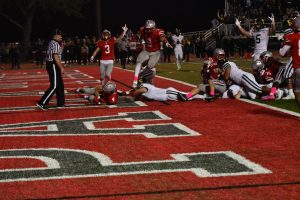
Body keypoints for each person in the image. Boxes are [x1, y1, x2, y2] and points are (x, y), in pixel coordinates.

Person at [132, 20, 172, 87]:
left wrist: (166, 42)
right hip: (147, 50)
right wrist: (141, 40)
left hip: (155, 52)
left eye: (149, 29)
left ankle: (143, 78)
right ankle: (135, 81)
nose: (148, 31)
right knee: (138, 61)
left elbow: (162, 38)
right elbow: (142, 36)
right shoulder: (142, 30)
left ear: (154, 28)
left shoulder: (158, 31)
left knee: (150, 68)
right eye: (147, 29)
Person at [36, 29, 65, 110]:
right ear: (55, 35)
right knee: (55, 85)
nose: (61, 36)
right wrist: (61, 67)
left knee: (60, 85)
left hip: (51, 64)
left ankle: (61, 103)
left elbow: (58, 54)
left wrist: (62, 47)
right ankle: (42, 102)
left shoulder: (53, 43)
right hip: (53, 64)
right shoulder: (55, 44)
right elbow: (56, 57)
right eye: (60, 35)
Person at [279, 16, 300, 108]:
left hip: (298, 67)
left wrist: (283, 43)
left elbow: (282, 53)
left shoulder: (291, 36)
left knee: (297, 91)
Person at [120, 83, 204, 102]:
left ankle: (199, 88)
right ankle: (204, 96)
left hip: (168, 93)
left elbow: (140, 90)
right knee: (189, 96)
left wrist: (133, 97)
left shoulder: (145, 87)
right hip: (168, 93)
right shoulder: (147, 86)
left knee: (187, 96)